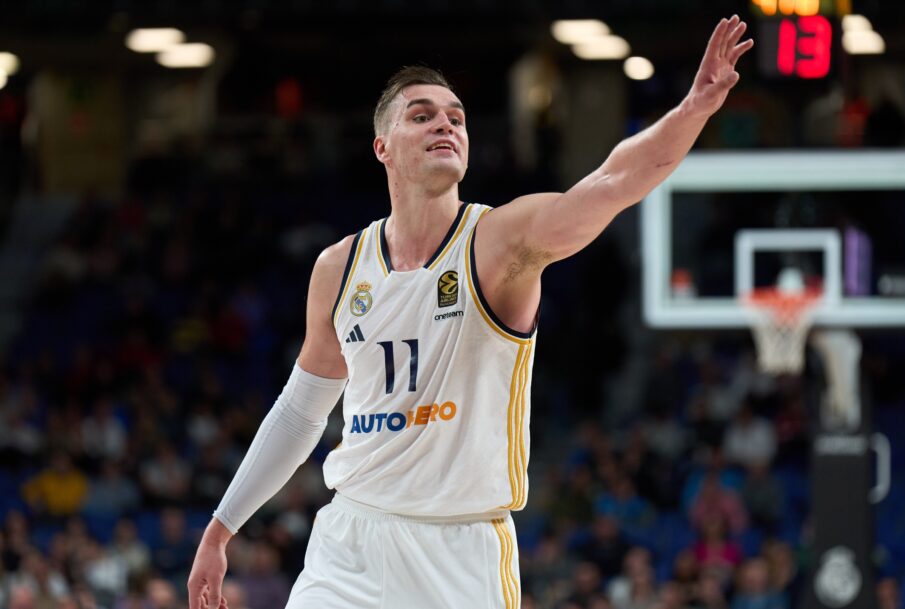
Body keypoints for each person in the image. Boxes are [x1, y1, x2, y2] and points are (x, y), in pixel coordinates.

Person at [188, 16, 754, 609]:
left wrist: (694, 107)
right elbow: (302, 411)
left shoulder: (498, 242)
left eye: (456, 117)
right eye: (423, 115)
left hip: (461, 552)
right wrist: (221, 528)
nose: (446, 124)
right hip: (352, 538)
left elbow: (612, 182)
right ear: (382, 146)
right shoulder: (338, 267)